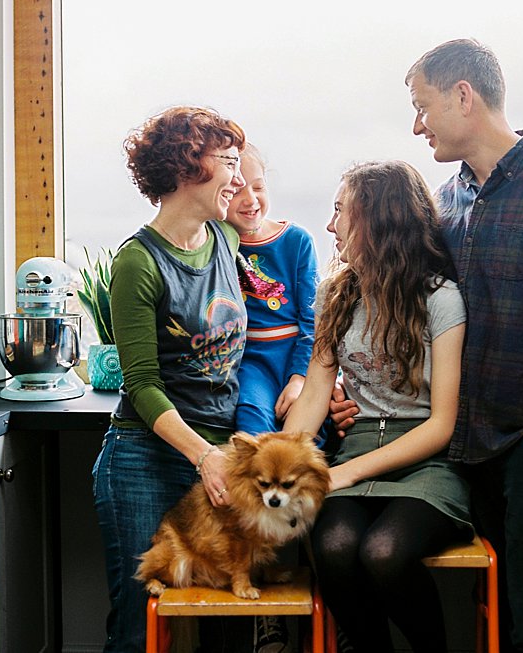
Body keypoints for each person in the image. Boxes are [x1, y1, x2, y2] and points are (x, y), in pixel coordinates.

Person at [332, 38, 523, 652]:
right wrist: (352, 386)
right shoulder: (450, 201)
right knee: (500, 620)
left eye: (423, 106)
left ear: (463, 97)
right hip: (473, 451)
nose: (417, 125)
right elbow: (413, 313)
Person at [282, 160, 474, 653]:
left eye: (340, 211)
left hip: (429, 463)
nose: (330, 225)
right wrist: (280, 461)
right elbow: (314, 397)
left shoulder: (441, 299)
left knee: (385, 552)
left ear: (378, 219)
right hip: (358, 452)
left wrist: (339, 476)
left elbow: (442, 425)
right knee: (334, 547)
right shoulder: (335, 294)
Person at [92, 105, 253, 653]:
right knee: (144, 625)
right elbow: (140, 382)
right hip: (148, 457)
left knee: (228, 617)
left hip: (220, 454)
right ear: (188, 167)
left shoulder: (226, 242)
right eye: (228, 162)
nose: (238, 175)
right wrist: (202, 456)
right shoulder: (137, 262)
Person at [225, 142, 319, 436]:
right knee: (252, 424)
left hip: (297, 355)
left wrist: (300, 378)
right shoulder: (218, 244)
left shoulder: (296, 240)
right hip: (251, 362)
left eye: (259, 187)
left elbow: (312, 319)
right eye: (237, 190)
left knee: (310, 436)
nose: (250, 199)